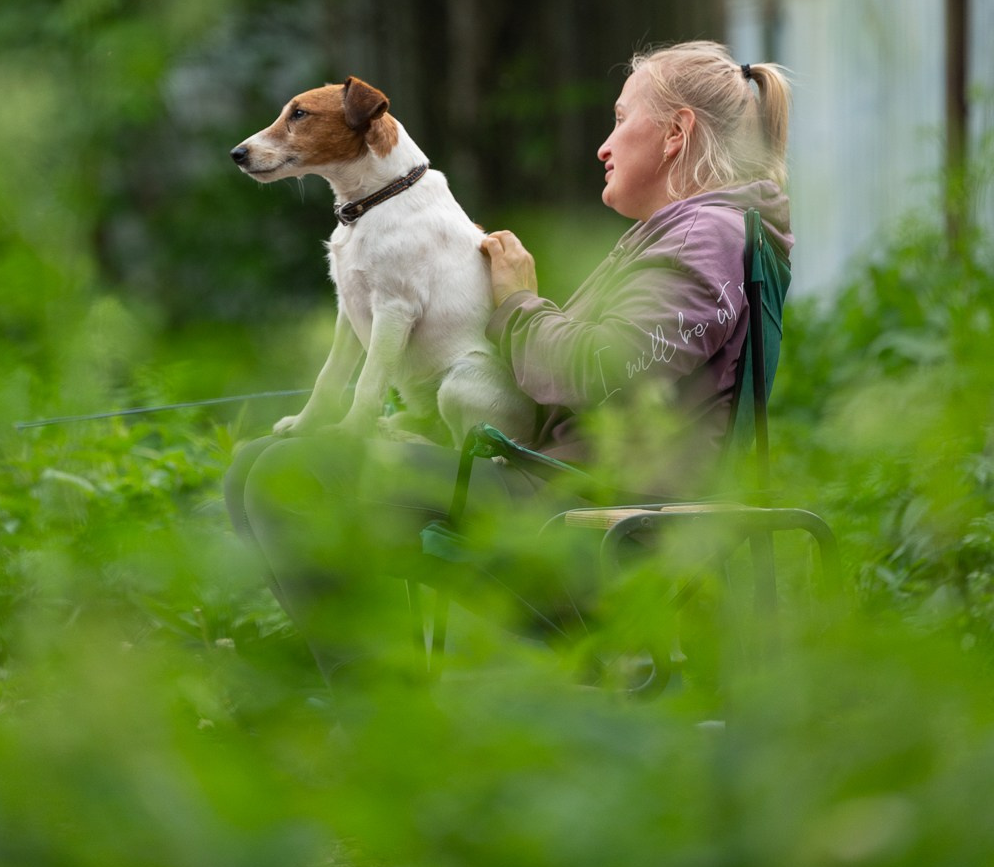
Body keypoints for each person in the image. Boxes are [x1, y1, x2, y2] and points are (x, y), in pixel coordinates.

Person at [223, 41, 793, 688]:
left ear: (675, 133)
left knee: (291, 477)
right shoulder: (689, 233)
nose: (603, 146)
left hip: (597, 517)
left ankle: (376, 714)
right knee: (256, 470)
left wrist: (518, 301)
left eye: (620, 118)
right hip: (558, 486)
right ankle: (367, 700)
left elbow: (593, 372)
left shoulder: (704, 237)